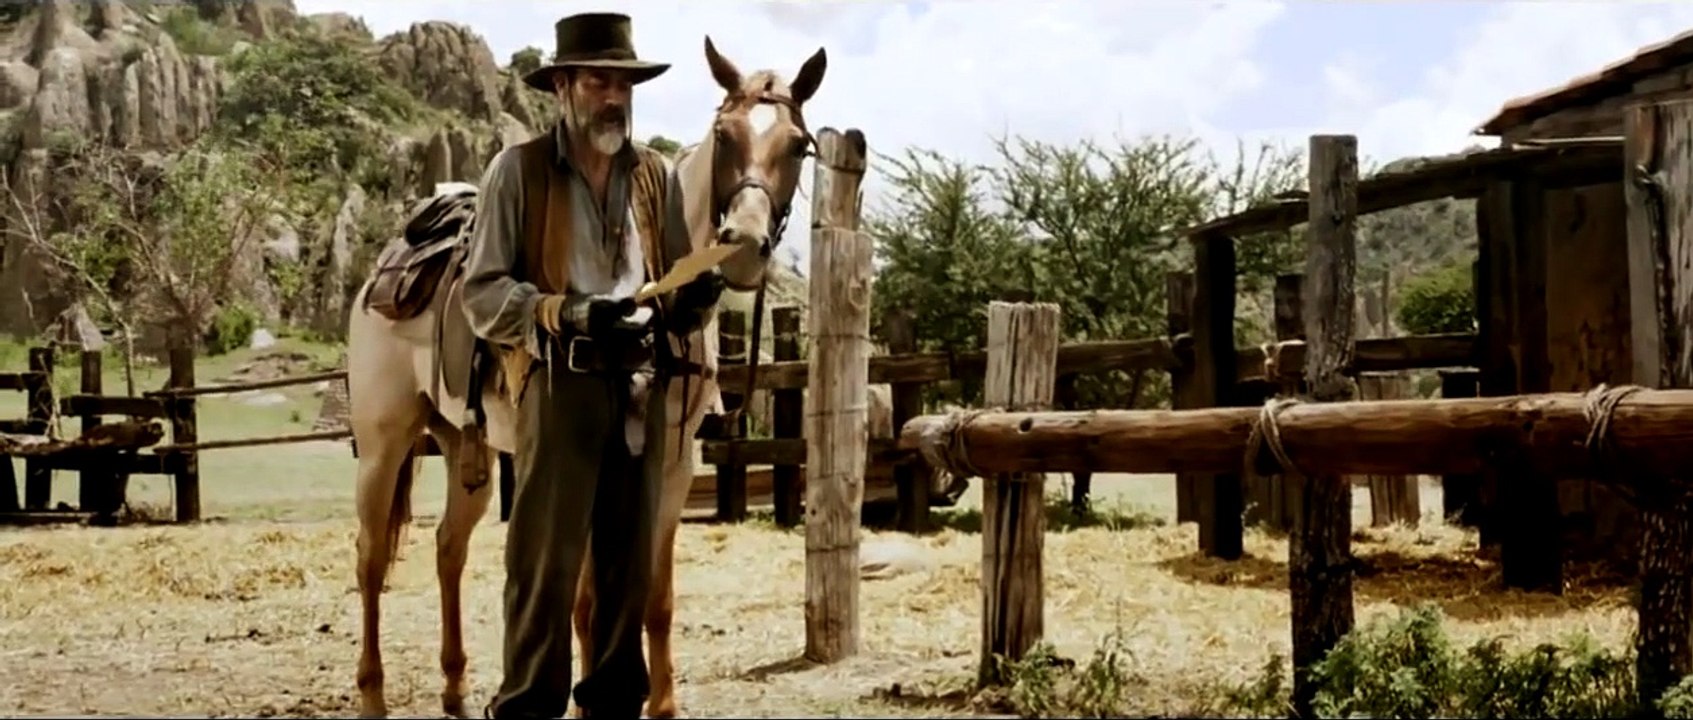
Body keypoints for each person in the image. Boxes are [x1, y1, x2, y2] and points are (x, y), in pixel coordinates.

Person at [459, 12, 723, 719]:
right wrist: (563, 312)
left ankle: (612, 705)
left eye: (624, 83)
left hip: (640, 381)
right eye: (598, 81)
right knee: (545, 564)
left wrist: (695, 296)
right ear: (563, 87)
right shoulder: (517, 171)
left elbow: (669, 286)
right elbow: (479, 291)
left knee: (627, 566)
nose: (613, 96)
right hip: (562, 378)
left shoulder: (653, 175)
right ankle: (526, 706)